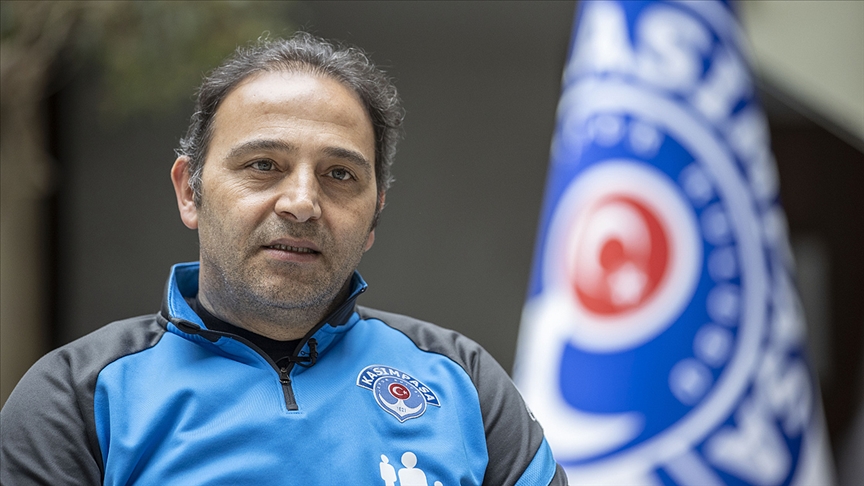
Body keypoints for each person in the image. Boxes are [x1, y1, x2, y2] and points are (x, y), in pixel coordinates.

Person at [0, 33, 566, 485]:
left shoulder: (462, 381)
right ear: (190, 191)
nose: (301, 203)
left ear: (374, 215)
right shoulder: (77, 397)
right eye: (263, 165)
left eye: (339, 174)